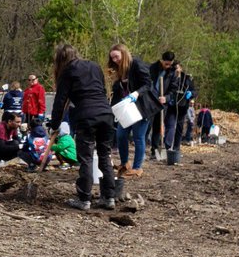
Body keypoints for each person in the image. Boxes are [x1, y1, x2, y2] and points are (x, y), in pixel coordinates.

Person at [49, 44, 116, 210]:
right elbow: (102, 90)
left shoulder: (67, 71)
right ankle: (109, 198)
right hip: (106, 114)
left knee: (85, 157)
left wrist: (54, 125)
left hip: (86, 116)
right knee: (104, 155)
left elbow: (60, 100)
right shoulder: (94, 66)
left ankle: (84, 199)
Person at [108, 43, 156, 178]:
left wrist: (136, 94)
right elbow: (117, 92)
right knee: (121, 135)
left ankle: (137, 168)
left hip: (142, 106)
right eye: (112, 58)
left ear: (123, 53)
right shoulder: (119, 70)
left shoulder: (136, 64)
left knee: (138, 137)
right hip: (126, 108)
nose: (114, 60)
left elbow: (148, 84)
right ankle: (124, 164)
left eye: (116, 57)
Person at [147, 51, 178, 159]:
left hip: (162, 102)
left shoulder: (173, 72)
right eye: (166, 64)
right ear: (161, 61)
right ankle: (141, 147)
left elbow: (174, 89)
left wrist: (166, 98)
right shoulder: (152, 68)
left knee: (157, 126)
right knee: (146, 125)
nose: (168, 66)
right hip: (150, 100)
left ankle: (154, 150)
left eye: (170, 64)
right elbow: (147, 83)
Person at [170, 63, 196, 150]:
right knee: (170, 125)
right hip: (171, 105)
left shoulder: (187, 78)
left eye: (177, 68)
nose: (176, 70)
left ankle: (176, 147)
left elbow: (195, 91)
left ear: (181, 68)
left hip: (183, 106)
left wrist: (191, 93)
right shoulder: (170, 77)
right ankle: (168, 145)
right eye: (174, 69)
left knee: (179, 126)